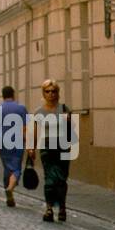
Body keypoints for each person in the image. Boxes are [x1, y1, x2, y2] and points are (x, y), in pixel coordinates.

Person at [32, 79, 73, 222]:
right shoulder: (39, 111)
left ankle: (62, 208)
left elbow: (71, 131)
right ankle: (49, 209)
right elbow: (35, 131)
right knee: (49, 179)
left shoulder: (64, 109)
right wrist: (31, 148)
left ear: (58, 93)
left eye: (53, 91)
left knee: (61, 179)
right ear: (43, 93)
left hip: (63, 147)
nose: (51, 94)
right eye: (47, 91)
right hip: (47, 148)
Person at [0, 85, 29, 208]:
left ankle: (10, 196)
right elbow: (25, 128)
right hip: (17, 140)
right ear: (13, 95)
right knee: (16, 168)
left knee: (7, 168)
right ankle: (10, 188)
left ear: (3, 96)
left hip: (2, 141)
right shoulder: (21, 108)